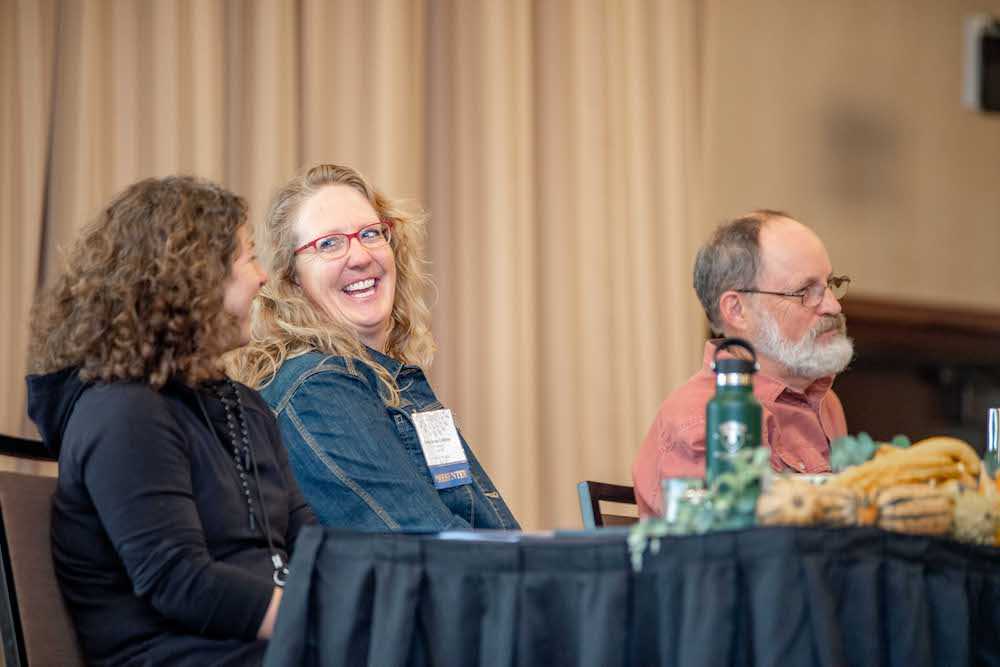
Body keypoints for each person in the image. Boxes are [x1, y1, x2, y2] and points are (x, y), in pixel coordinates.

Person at [26, 176, 315, 666]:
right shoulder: (123, 413)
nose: (262, 277)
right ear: (195, 280)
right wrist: (321, 619)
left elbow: (304, 535)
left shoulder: (246, 407)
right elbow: (180, 581)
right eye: (248, 257)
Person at [231, 164, 518, 531]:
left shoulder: (383, 380)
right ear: (293, 279)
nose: (361, 256)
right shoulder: (318, 389)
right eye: (329, 244)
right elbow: (428, 550)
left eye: (370, 233)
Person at [632, 210, 852, 516]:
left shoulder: (827, 402)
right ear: (737, 311)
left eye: (830, 284)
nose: (833, 305)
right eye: (805, 292)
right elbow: (726, 552)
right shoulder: (705, 419)